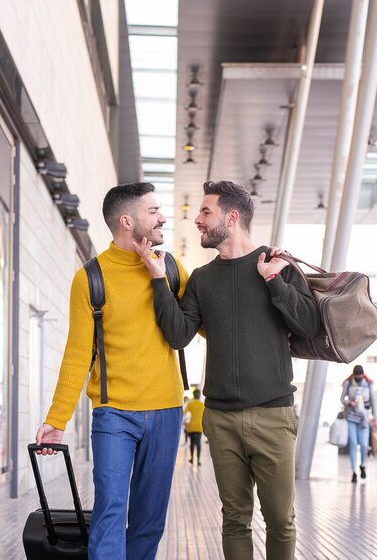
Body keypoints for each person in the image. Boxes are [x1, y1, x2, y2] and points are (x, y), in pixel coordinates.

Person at [134, 180, 320, 560]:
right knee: (234, 518)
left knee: (281, 519)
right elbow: (178, 334)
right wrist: (157, 279)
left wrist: (273, 281)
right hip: (220, 419)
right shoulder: (203, 279)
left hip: (273, 415)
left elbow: (309, 325)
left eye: (206, 212)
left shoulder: (278, 264)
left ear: (231, 218)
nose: (198, 220)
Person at [35, 182, 189, 560]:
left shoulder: (170, 267)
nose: (162, 217)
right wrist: (57, 419)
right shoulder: (90, 278)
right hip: (113, 414)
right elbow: (76, 355)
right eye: (153, 211)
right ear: (127, 221)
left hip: (167, 410)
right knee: (110, 511)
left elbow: (201, 322)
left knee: (149, 519)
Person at [341, 364, 377, 483]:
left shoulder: (368, 384)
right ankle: (353, 472)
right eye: (357, 376)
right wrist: (349, 402)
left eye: (360, 376)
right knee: (353, 443)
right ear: (354, 375)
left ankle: (363, 465)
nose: (359, 378)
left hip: (364, 419)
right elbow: (342, 398)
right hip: (351, 418)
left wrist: (375, 418)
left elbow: (373, 401)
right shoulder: (348, 383)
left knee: (364, 444)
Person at [184, 388, 205, 465]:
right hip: (199, 426)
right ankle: (198, 460)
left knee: (192, 443)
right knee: (198, 443)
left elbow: (185, 412)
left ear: (193, 395)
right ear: (199, 395)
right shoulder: (202, 404)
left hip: (191, 426)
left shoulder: (190, 404)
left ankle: (192, 459)